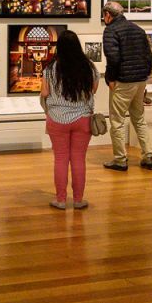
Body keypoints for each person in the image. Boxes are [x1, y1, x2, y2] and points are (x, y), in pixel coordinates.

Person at [40, 30, 99, 210]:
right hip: (83, 118)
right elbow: (93, 89)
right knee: (79, 159)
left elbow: (44, 93)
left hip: (57, 119)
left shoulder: (51, 69)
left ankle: (61, 200)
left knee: (61, 159)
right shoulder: (89, 67)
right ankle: (79, 200)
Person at [101, 1, 152, 171]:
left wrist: (110, 78)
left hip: (123, 81)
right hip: (140, 81)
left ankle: (120, 159)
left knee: (117, 121)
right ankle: (148, 156)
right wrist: (144, 75)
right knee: (138, 118)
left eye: (104, 15)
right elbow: (149, 57)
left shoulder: (110, 30)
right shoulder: (138, 29)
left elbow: (113, 58)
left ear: (108, 15)